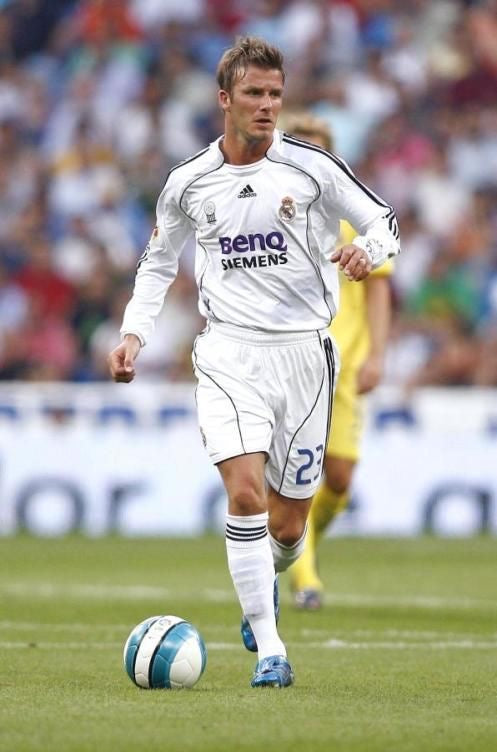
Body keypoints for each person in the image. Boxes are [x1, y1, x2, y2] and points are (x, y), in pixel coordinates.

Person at [107, 37, 400, 689]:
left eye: (275, 94)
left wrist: (368, 250)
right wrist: (134, 333)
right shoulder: (188, 181)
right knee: (244, 494)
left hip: (305, 356)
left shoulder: (313, 168)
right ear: (224, 99)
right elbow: (158, 262)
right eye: (253, 94)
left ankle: (267, 575)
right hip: (228, 353)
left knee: (288, 525)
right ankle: (271, 649)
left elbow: (383, 221)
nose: (267, 105)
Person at [280, 113, 393, 610]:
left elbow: (379, 291)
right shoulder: (272, 215)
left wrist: (377, 355)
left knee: (340, 478)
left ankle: (304, 548)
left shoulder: (355, 216)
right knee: (290, 476)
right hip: (289, 362)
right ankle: (303, 574)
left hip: (344, 366)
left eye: (319, 150)